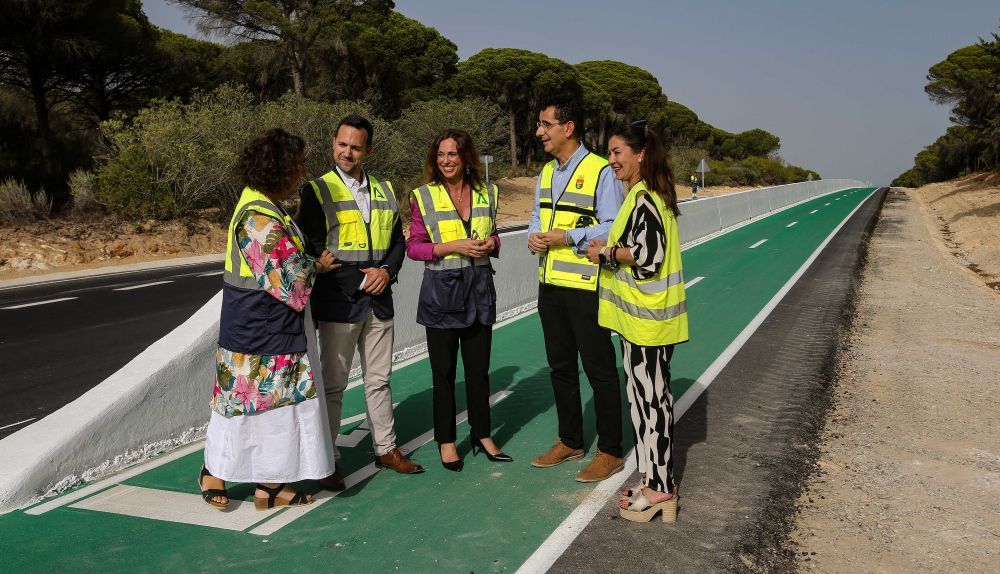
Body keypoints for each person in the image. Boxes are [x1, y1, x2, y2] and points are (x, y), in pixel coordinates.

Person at [199, 127, 339, 511]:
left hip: (259, 326)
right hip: (259, 328)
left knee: (268, 410)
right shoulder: (259, 218)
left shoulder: (264, 206)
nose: (303, 170)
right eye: (299, 163)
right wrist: (318, 265)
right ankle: (217, 471)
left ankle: (269, 485)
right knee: (249, 410)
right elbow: (290, 280)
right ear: (280, 168)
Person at [297, 115, 424, 490]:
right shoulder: (316, 190)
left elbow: (398, 242)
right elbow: (313, 247)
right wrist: (363, 279)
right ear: (332, 143)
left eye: (355, 146)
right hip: (338, 301)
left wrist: (386, 271)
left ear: (367, 150)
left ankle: (386, 449)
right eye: (342, 144)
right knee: (333, 385)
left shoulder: (384, 189)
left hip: (379, 299)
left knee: (380, 380)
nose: (347, 152)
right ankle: (327, 460)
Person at [586, 122, 688, 523]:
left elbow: (647, 254)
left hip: (648, 323)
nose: (611, 160)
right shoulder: (643, 195)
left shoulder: (644, 197)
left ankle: (661, 488)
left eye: (616, 152)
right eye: (609, 153)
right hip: (640, 322)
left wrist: (606, 253)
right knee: (646, 402)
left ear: (640, 153)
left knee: (652, 404)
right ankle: (651, 479)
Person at [527, 95, 626, 482]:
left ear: (567, 128)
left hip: (588, 287)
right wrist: (535, 237)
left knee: (600, 370)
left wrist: (566, 237)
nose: (539, 132)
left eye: (545, 125)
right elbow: (537, 217)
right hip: (550, 285)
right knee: (561, 368)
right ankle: (570, 441)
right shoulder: (547, 172)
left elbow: (613, 225)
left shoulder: (600, 171)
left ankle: (611, 450)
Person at [406, 129, 511, 472]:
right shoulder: (423, 196)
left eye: (452, 154)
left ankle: (483, 435)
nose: (446, 161)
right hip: (442, 297)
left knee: (479, 373)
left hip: (479, 293)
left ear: (466, 157)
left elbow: (495, 235)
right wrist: (453, 246)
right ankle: (447, 442)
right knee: (445, 375)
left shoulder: (488, 192)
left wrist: (490, 244)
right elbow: (415, 247)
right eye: (440, 155)